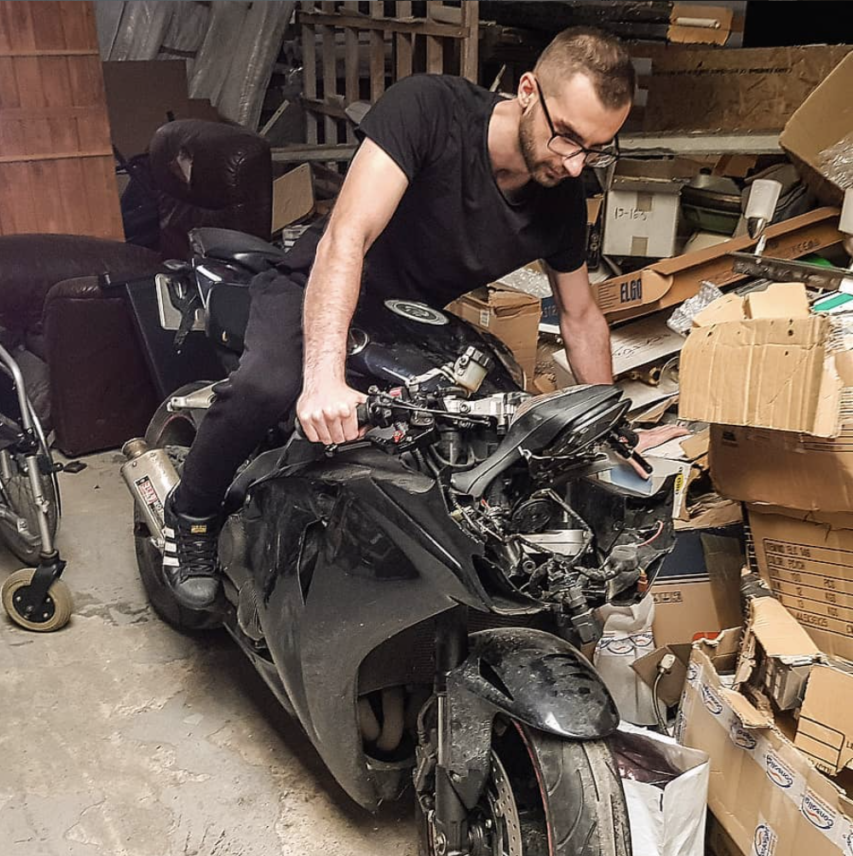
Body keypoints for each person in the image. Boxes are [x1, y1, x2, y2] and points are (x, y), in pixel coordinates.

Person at [163, 26, 638, 611]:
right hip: (319, 285)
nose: (574, 163)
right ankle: (191, 513)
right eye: (567, 136)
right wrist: (322, 378)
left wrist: (605, 423)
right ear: (526, 91)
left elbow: (580, 314)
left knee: (484, 431)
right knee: (269, 385)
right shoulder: (430, 110)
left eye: (596, 149)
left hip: (412, 321)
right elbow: (348, 237)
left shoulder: (561, 195)